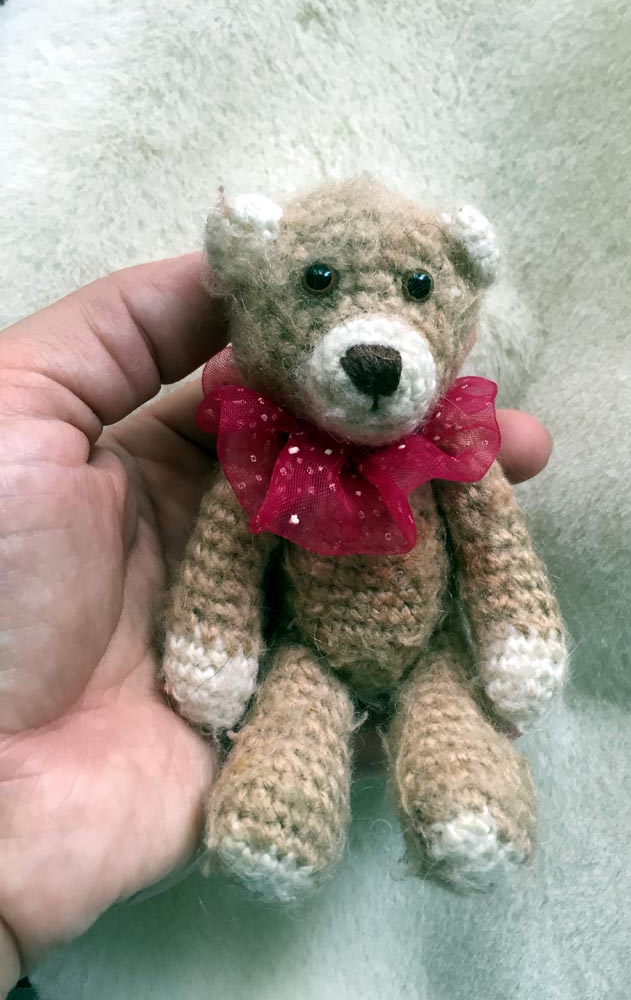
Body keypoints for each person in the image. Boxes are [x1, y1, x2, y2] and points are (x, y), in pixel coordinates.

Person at [0, 254, 553, 991]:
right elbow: (225, 558)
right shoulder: (268, 455)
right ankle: (277, 819)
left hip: (433, 652)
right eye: (319, 284)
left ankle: (468, 807)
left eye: (417, 287)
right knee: (291, 719)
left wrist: (518, 634)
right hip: (307, 651)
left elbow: (496, 552)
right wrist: (215, 645)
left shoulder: (451, 449)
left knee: (448, 720)